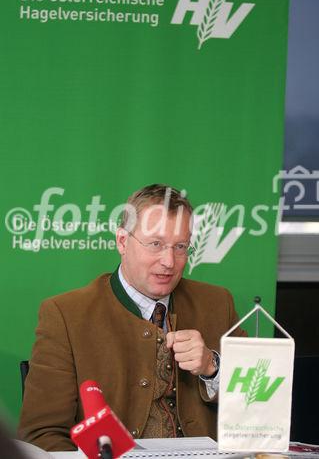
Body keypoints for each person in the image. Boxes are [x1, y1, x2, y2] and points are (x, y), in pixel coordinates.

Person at [18, 184, 246, 451]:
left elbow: (260, 408)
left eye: (180, 246)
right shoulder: (65, 315)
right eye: (155, 244)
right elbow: (42, 433)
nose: (169, 262)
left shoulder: (218, 303)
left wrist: (212, 367)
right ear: (122, 242)